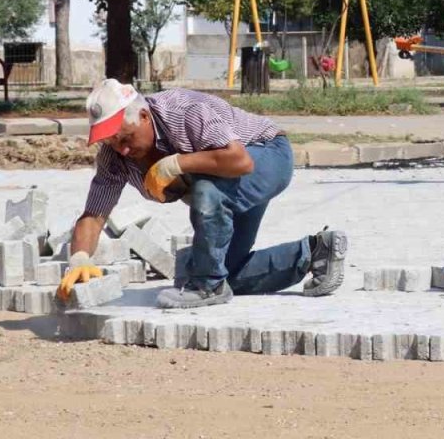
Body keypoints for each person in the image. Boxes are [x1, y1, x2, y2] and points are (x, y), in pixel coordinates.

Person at [55, 79, 347, 309]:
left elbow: (239, 161)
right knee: (216, 268)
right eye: (112, 142)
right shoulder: (114, 157)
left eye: (126, 138)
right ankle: (314, 253)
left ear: (144, 115)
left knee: (207, 192)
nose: (123, 150)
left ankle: (208, 287)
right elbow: (93, 215)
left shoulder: (183, 110)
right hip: (225, 183)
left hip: (266, 156)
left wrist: (175, 163)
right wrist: (79, 258)